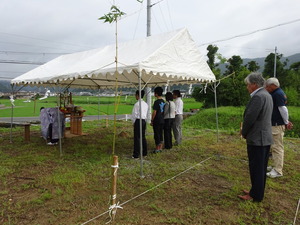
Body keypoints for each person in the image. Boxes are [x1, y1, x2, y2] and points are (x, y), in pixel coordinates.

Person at [239, 72, 273, 202]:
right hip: (264, 137)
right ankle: (256, 190)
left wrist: (244, 132)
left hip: (258, 138)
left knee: (256, 168)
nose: (247, 87)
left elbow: (250, 118)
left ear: (254, 84)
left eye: (248, 85)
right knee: (260, 167)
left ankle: (255, 195)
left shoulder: (258, 97)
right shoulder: (266, 94)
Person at [265, 78, 293, 178]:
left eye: (267, 86)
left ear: (273, 85)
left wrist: (286, 122)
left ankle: (278, 170)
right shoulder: (277, 93)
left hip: (277, 124)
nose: (266, 88)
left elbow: (283, 109)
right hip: (274, 124)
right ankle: (274, 166)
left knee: (277, 147)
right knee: (273, 147)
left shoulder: (278, 94)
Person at [131, 90, 149, 159]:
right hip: (144, 121)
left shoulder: (137, 104)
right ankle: (145, 152)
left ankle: (136, 154)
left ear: (138, 95)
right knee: (143, 137)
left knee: (137, 138)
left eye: (135, 95)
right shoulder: (145, 104)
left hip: (138, 121)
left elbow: (134, 115)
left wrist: (133, 122)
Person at [151, 87, 165, 153]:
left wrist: (152, 120)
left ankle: (157, 148)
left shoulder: (156, 102)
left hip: (157, 120)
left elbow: (154, 112)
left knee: (156, 134)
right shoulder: (163, 101)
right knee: (160, 133)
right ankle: (161, 147)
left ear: (156, 94)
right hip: (162, 119)